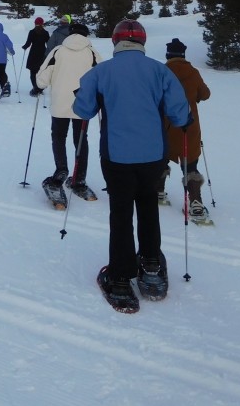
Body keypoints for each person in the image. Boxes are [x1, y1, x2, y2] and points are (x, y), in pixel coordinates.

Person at [73, 19, 190, 312]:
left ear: (115, 42)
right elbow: (180, 113)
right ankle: (150, 264)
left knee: (121, 212)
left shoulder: (100, 72)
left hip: (117, 156)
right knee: (148, 204)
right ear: (142, 42)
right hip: (153, 155)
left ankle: (121, 279)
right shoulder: (159, 70)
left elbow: (83, 109)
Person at [36, 22, 101, 201]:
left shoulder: (58, 51)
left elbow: (41, 80)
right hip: (83, 105)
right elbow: (102, 75)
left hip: (60, 104)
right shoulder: (92, 52)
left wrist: (43, 84)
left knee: (58, 137)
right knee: (80, 140)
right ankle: (79, 179)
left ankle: (61, 170)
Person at [161, 38, 211, 218]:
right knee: (190, 164)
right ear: (183, 54)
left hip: (166, 125)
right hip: (189, 126)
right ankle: (196, 203)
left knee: (162, 159)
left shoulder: (163, 71)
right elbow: (205, 94)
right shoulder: (193, 72)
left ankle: (159, 192)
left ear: (168, 55)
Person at [21, 17, 50, 96]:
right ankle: (40, 89)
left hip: (33, 53)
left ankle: (35, 88)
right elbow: (49, 44)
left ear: (35, 23)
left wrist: (24, 47)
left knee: (33, 72)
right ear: (42, 24)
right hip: (42, 54)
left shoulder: (32, 32)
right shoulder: (45, 33)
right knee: (41, 72)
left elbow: (28, 43)